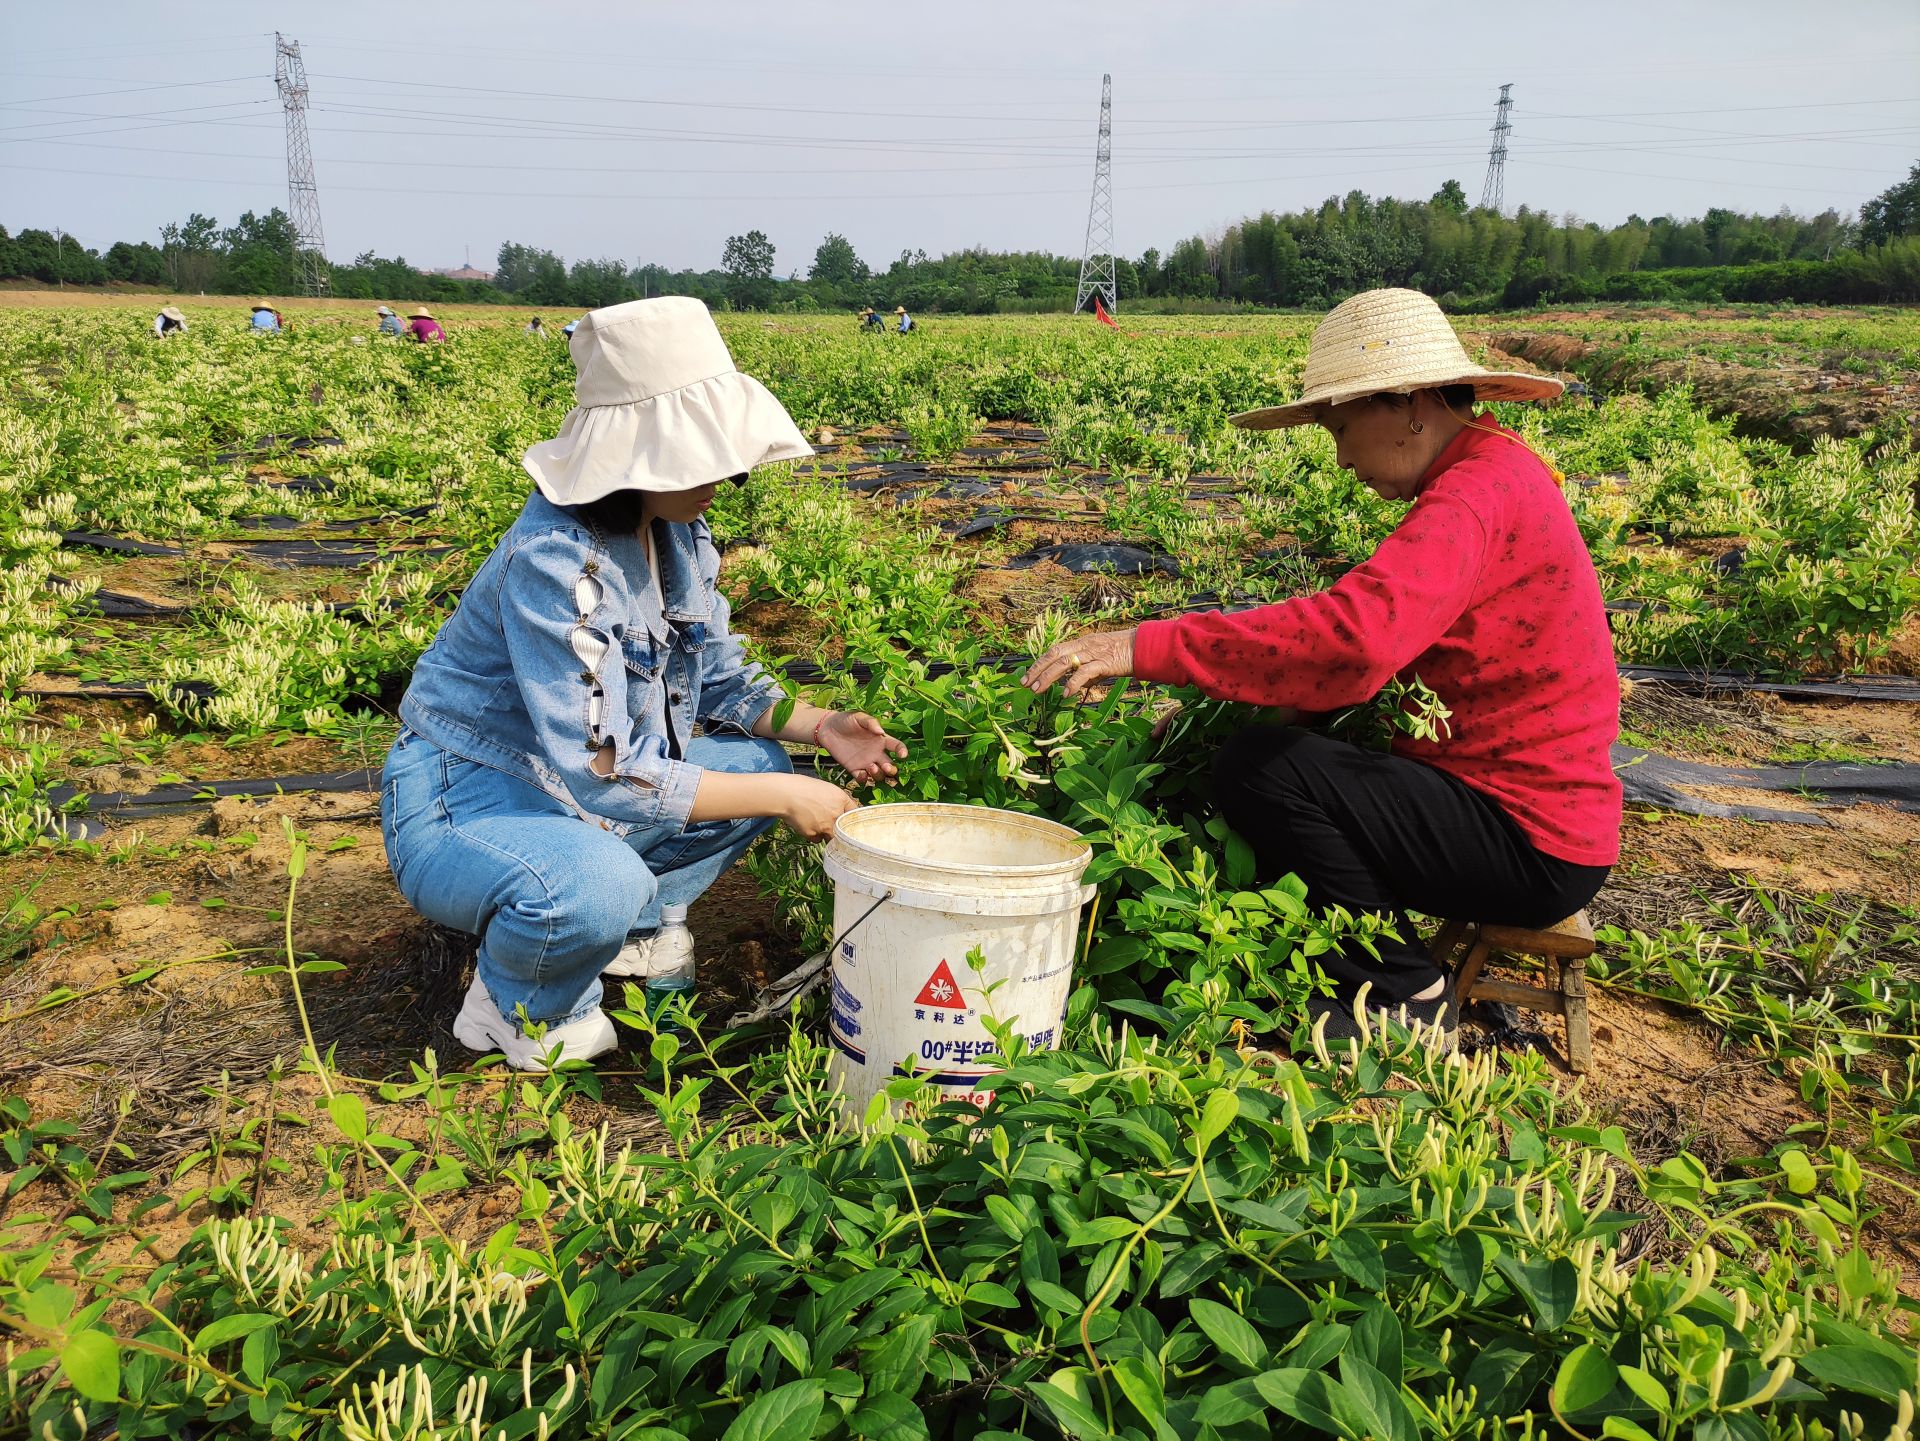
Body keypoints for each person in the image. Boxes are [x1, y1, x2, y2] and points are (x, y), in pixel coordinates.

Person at [1023, 287, 1621, 1043]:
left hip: (1530, 839)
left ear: (1407, 402)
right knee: (1275, 751)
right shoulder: (1491, 472)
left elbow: (1356, 641)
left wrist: (1149, 647)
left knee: (1261, 770)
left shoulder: (1469, 499)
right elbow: (1367, 655)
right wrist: (1233, 699)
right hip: (1545, 821)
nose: (1340, 457)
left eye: (1341, 427)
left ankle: (1405, 994)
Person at [384, 296, 908, 1070]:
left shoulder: (676, 532)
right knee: (598, 881)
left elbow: (721, 677)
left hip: (570, 792)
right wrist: (789, 799)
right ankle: (511, 1000)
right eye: (706, 456)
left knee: (762, 767)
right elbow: (608, 770)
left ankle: (634, 928)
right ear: (638, 459)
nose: (729, 476)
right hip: (468, 794)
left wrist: (821, 725)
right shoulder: (559, 562)